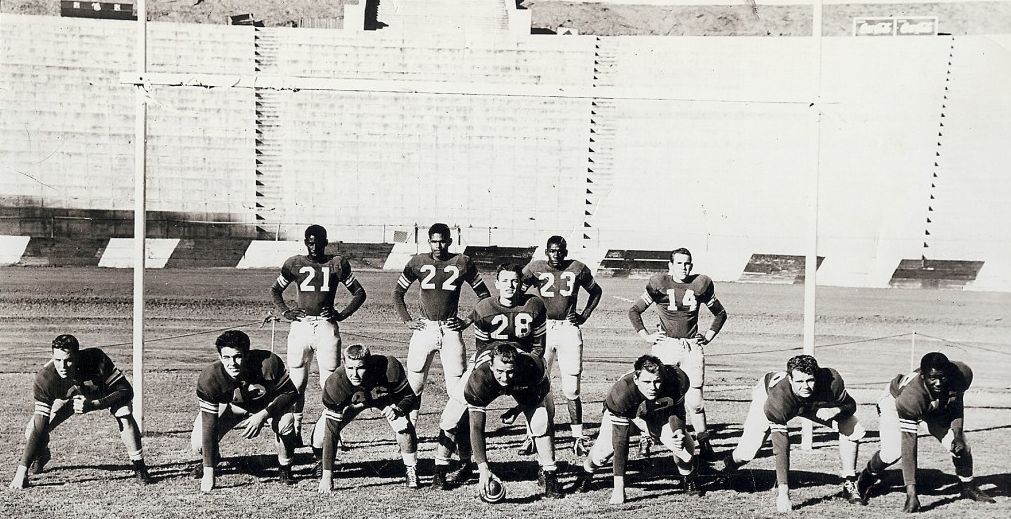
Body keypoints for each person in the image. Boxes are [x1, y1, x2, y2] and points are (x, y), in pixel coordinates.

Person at [718, 355, 866, 512]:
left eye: (810, 380)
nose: (805, 386)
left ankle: (849, 482)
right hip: (772, 397)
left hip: (810, 405)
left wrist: (836, 409)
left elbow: (850, 405)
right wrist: (784, 494)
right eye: (799, 381)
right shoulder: (778, 398)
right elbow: (781, 446)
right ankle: (729, 468)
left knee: (853, 428)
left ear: (817, 375)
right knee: (748, 451)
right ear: (790, 379)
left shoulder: (832, 381)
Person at [856, 352, 995, 512]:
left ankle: (968, 487)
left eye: (942, 378)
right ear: (923, 376)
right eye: (932, 378)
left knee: (962, 446)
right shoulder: (911, 397)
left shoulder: (961, 374)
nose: (938, 383)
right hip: (895, 402)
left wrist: (957, 434)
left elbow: (956, 404)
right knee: (892, 452)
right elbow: (909, 445)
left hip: (928, 405)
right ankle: (865, 478)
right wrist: (911, 493)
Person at [9, 334, 151, 489]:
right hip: (70, 399)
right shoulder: (45, 379)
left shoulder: (95, 359)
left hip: (100, 395)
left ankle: (139, 467)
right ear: (52, 357)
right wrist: (21, 470)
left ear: (77, 355)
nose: (62, 366)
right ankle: (41, 454)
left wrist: (94, 405)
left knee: (124, 413)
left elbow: (126, 390)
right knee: (31, 431)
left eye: (68, 360)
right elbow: (40, 424)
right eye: (58, 360)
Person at [628, 247, 727, 459]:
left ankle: (704, 441)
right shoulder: (659, 283)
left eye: (688, 263)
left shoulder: (701, 284)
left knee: (695, 401)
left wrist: (708, 336)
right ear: (670, 265)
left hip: (691, 346)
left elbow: (720, 313)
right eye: (680, 263)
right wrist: (646, 336)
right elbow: (634, 310)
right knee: (655, 395)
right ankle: (647, 436)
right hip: (666, 346)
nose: (685, 267)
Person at [270, 224, 367, 441]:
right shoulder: (295, 263)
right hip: (301, 326)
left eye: (318, 242)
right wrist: (286, 312)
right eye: (310, 242)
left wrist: (341, 314)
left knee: (331, 384)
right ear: (306, 242)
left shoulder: (336, 263)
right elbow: (275, 289)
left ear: (325, 242)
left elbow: (359, 293)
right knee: (296, 384)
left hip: (325, 326)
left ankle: (329, 432)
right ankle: (295, 430)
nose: (314, 247)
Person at [432, 342, 563, 499]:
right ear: (491, 366)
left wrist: (517, 410)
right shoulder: (479, 378)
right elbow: (476, 427)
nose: (505, 377)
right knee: (450, 419)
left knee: (541, 422)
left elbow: (535, 397)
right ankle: (440, 472)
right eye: (500, 371)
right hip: (484, 365)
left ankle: (550, 476)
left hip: (524, 376)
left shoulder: (532, 367)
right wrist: (483, 468)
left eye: (510, 372)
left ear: (518, 366)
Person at [391, 222, 491, 425]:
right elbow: (397, 293)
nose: (438, 246)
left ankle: (455, 433)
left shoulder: (462, 262)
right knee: (414, 385)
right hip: (425, 328)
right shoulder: (417, 262)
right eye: (434, 242)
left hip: (450, 330)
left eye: (442, 241)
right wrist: (407, 321)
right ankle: (410, 431)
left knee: (456, 388)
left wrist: (467, 321)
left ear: (450, 241)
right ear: (428, 242)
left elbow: (484, 295)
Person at [570, 355, 698, 504]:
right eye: (647, 382)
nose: (652, 387)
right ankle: (587, 473)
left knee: (686, 447)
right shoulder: (621, 393)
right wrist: (619, 488)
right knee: (602, 453)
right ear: (636, 380)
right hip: (627, 414)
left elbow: (677, 408)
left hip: (656, 414)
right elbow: (621, 443)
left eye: (657, 381)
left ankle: (688, 477)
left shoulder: (677, 379)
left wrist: (679, 430)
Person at [521, 236, 602, 456]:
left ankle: (578, 437)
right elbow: (519, 291)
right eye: (552, 251)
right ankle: (532, 434)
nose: (556, 255)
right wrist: (528, 315)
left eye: (560, 251)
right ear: (546, 251)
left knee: (572, 388)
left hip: (568, 327)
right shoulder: (535, 268)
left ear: (565, 252)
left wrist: (584, 315)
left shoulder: (578, 268)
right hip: (543, 328)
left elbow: (596, 291)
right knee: (536, 382)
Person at [191, 330, 299, 492]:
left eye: (237, 356)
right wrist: (209, 472)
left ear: (247, 355)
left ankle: (285, 467)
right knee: (198, 442)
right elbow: (209, 425)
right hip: (234, 407)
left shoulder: (268, 363)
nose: (232, 363)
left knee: (286, 422)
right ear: (220, 357)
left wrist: (263, 415)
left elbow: (291, 394)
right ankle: (213, 458)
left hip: (266, 406)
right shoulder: (210, 378)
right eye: (226, 357)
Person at [312, 344, 420, 493]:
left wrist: (398, 409)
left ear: (368, 365)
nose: (354, 374)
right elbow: (332, 430)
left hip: (383, 401)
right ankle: (321, 462)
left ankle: (411, 469)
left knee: (403, 425)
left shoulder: (388, 366)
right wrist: (327, 475)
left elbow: (409, 397)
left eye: (360, 368)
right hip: (352, 404)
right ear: (344, 364)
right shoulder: (335, 383)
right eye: (350, 368)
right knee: (320, 437)